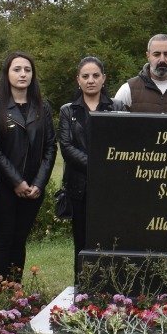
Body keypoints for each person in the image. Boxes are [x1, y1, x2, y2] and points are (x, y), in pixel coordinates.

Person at [0, 52, 56, 285]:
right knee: (3, 239)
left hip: (33, 189)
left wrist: (38, 183)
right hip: (4, 187)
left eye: (27, 69)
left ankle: (15, 291)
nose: (23, 74)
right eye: (17, 69)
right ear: (7, 74)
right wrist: (16, 181)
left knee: (19, 240)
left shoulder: (42, 107)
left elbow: (49, 149)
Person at [58, 56, 125, 279]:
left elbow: (123, 143)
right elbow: (66, 147)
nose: (90, 80)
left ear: (103, 79)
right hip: (80, 186)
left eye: (95, 75)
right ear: (78, 80)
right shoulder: (68, 111)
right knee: (82, 241)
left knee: (109, 240)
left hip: (110, 187)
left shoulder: (116, 106)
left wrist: (105, 168)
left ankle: (109, 286)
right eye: (85, 76)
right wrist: (97, 165)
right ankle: (82, 287)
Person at [113, 34, 167, 113]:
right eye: (157, 54)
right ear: (148, 56)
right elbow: (113, 123)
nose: (162, 59)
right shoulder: (128, 90)